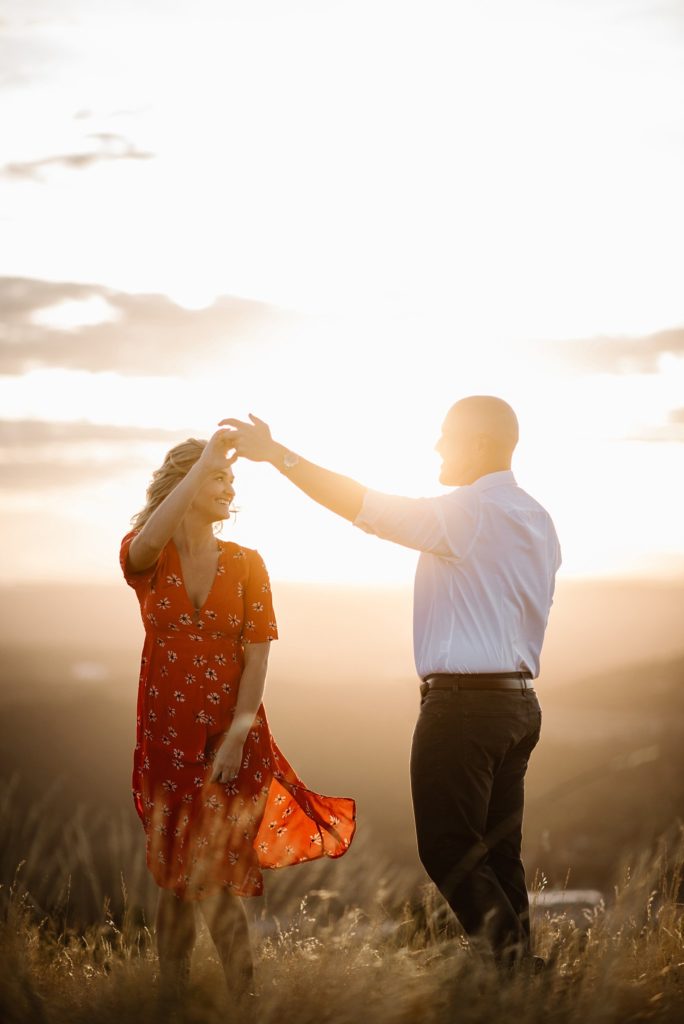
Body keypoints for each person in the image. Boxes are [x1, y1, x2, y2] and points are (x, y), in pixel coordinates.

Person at [222, 396, 561, 969]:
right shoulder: (538, 519)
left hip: (463, 710)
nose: (436, 446)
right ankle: (522, 985)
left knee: (449, 848)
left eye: (446, 435)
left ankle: (514, 970)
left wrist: (279, 456)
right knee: (500, 855)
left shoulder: (468, 514)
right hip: (519, 706)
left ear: (478, 444)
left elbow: (362, 505)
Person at [119, 429, 356, 1008]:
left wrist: (236, 737)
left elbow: (258, 655)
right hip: (167, 735)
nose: (228, 487)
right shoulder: (146, 554)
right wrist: (205, 459)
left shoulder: (249, 565)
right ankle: (173, 1001)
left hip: (233, 738)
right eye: (215, 478)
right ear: (186, 484)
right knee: (175, 876)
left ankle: (244, 1002)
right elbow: (147, 542)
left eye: (230, 479)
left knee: (219, 874)